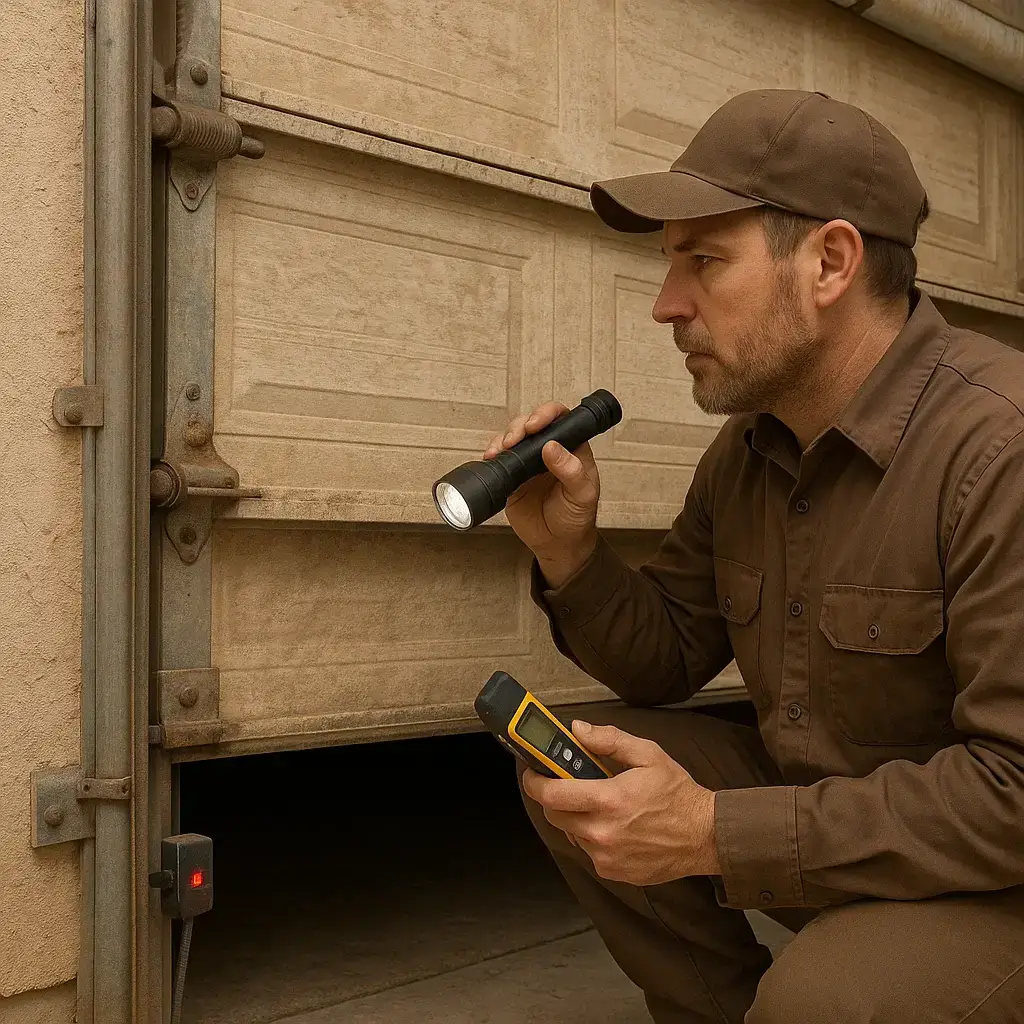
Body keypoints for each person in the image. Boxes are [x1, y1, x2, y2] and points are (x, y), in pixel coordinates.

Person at [484, 89, 1024, 1023]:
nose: (664, 306)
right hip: (838, 828)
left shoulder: (999, 449)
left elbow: (1015, 795)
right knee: (579, 774)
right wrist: (569, 551)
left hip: (994, 876)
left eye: (703, 261)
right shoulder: (750, 448)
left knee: (822, 1000)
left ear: (830, 262)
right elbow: (664, 661)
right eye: (667, 265)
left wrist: (714, 833)